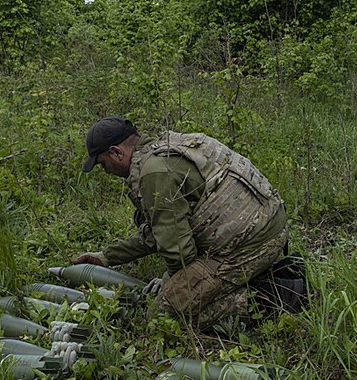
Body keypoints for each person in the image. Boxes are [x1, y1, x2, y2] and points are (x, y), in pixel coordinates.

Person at [73, 117, 289, 330]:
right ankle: (266, 276)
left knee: (163, 315)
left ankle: (275, 297)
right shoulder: (168, 148)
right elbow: (159, 232)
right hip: (266, 225)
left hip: (253, 244)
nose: (106, 171)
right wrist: (107, 257)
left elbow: (179, 256)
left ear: (116, 153)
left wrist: (170, 286)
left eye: (103, 164)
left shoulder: (154, 173)